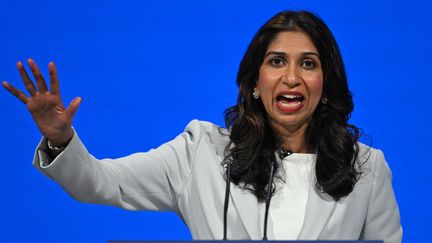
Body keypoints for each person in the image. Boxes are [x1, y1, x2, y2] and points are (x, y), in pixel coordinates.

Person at [2, 10, 402, 242]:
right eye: (277, 61)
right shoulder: (201, 153)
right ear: (255, 84)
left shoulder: (366, 169)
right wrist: (61, 140)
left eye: (308, 63)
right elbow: (104, 182)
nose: (292, 77)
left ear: (326, 85)